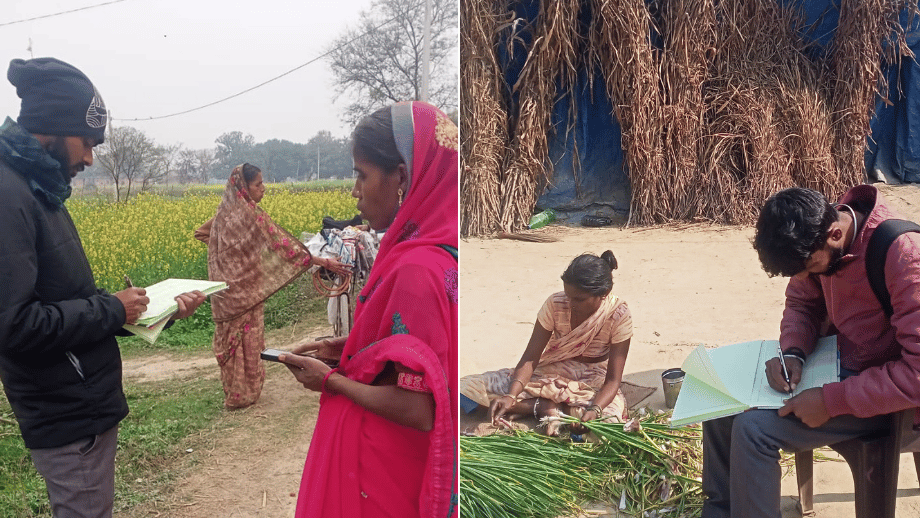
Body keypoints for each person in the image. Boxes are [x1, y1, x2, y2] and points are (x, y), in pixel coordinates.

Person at [0, 57, 206, 517]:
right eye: (87, 142)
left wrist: (149, 308)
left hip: (79, 408)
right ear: (51, 127)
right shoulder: (9, 195)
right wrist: (112, 310)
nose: (90, 158)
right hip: (66, 417)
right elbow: (13, 325)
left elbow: (64, 302)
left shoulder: (39, 188)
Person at [278, 101, 458, 518]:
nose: (355, 191)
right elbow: (414, 346)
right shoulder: (441, 251)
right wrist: (346, 347)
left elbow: (419, 408)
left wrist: (332, 382)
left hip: (384, 477)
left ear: (402, 177)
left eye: (362, 174)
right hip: (408, 464)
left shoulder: (416, 269)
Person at [701, 185, 920, 518]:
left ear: (834, 234)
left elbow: (916, 375)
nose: (804, 276)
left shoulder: (903, 256)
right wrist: (794, 353)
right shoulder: (817, 237)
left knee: (754, 430)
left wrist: (832, 401)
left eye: (808, 266)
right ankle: (720, 512)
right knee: (721, 402)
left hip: (886, 395)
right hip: (838, 366)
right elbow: (802, 303)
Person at [194, 163, 347, 410]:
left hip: (224, 292)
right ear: (244, 188)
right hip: (247, 291)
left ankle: (235, 393)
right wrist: (322, 261)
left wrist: (227, 257)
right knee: (248, 340)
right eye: (258, 184)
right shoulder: (252, 215)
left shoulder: (223, 213)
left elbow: (200, 233)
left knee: (231, 340)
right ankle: (246, 393)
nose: (263, 189)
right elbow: (286, 247)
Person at [460, 250, 633, 436]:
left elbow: (613, 380)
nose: (571, 303)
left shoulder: (618, 315)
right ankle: (540, 406)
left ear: (604, 293)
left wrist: (595, 409)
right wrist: (511, 395)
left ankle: (541, 407)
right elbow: (530, 359)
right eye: (568, 295)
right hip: (551, 369)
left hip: (592, 378)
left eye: (579, 299)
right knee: (463, 390)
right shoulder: (555, 304)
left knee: (607, 423)